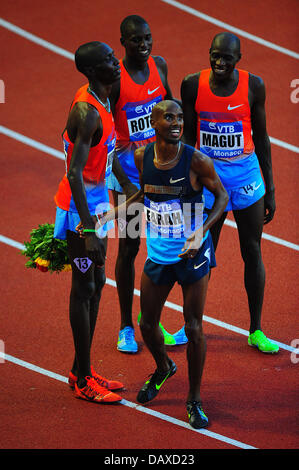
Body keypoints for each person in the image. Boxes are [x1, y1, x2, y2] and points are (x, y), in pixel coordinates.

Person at [100, 100, 228, 428]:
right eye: (168, 117)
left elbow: (223, 197)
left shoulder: (196, 160)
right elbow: (144, 193)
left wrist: (200, 233)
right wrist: (114, 213)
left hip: (192, 255)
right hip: (158, 254)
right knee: (147, 324)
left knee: (194, 327)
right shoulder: (143, 157)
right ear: (153, 124)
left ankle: (194, 400)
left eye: (180, 117)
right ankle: (163, 367)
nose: (176, 122)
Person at [181, 32, 278, 353]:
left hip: (247, 176)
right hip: (209, 177)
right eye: (215, 56)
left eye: (227, 58)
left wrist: (271, 187)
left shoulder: (254, 86)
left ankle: (256, 330)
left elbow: (262, 138)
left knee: (252, 249)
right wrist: (187, 183)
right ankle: (191, 325)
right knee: (202, 252)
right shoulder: (193, 84)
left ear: (239, 59)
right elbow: (190, 139)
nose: (220, 62)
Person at [53, 41, 131, 403]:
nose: (116, 65)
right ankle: (83, 380)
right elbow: (72, 173)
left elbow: (108, 152)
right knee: (84, 286)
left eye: (113, 58)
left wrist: (131, 188)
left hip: (97, 208)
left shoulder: (105, 98)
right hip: (78, 214)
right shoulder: (87, 112)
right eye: (107, 63)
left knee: (97, 282)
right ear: (89, 71)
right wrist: (87, 230)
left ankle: (80, 369)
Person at [107, 15, 186, 353]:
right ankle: (126, 326)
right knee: (129, 248)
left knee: (166, 246)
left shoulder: (159, 66)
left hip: (159, 171)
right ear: (123, 42)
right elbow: (106, 139)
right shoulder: (115, 80)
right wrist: (125, 185)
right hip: (128, 176)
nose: (144, 45)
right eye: (136, 40)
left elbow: (171, 109)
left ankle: (151, 319)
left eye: (148, 38)